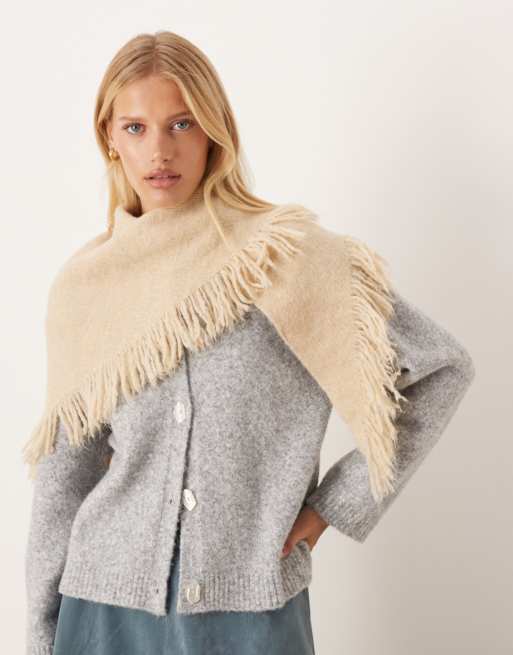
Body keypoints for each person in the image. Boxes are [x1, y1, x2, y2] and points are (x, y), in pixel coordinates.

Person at [23, 30, 476, 655]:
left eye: (181, 124)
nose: (159, 150)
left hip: (252, 608)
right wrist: (41, 628)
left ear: (214, 131)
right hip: (103, 612)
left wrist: (334, 506)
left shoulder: (283, 257)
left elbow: (442, 368)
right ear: (109, 138)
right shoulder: (87, 285)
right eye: (135, 128)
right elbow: (62, 476)